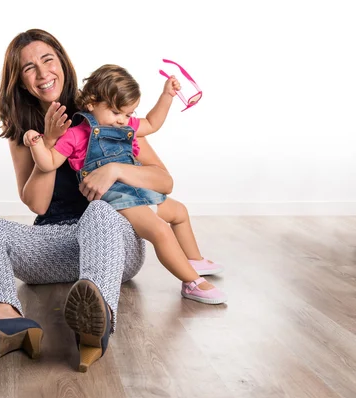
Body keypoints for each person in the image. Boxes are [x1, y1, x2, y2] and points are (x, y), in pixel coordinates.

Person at [0, 29, 193, 372]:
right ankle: (6, 318)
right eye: (29, 68)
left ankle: (98, 318)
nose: (43, 72)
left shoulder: (105, 111)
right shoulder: (23, 131)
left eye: (48, 60)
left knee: (99, 212)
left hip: (114, 242)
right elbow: (38, 205)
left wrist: (115, 170)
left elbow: (163, 180)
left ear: (62, 62)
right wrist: (47, 143)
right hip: (57, 243)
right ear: (20, 81)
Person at [25, 64, 228, 306]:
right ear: (91, 102)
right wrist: (36, 143)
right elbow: (49, 163)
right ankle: (191, 281)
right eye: (115, 112)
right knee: (159, 231)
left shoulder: (126, 125)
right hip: (115, 200)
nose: (122, 120)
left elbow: (152, 123)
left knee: (179, 212)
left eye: (128, 113)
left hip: (136, 190)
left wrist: (167, 96)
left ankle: (193, 259)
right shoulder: (76, 134)